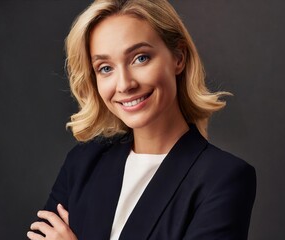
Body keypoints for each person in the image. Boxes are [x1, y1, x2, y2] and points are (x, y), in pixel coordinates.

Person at [27, 0, 256, 239]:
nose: (125, 84)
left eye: (140, 58)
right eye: (105, 68)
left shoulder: (222, 178)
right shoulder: (82, 164)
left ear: (178, 57)